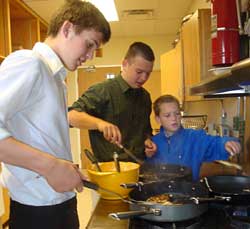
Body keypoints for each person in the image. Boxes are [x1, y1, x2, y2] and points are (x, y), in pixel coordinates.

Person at [0, 1, 111, 228]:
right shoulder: (29, 63)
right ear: (67, 28)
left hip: (59, 205)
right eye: (89, 45)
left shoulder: (55, 77)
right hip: (39, 213)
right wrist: (50, 167)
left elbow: (41, 138)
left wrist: (67, 168)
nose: (90, 56)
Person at [69, 42, 157, 162]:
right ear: (125, 64)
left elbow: (146, 131)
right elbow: (71, 116)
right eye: (139, 72)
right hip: (110, 172)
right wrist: (99, 124)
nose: (144, 78)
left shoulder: (145, 97)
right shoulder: (103, 90)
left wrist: (148, 141)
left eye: (148, 73)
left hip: (140, 169)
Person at [146, 94, 241, 181]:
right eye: (167, 115)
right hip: (159, 195)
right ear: (158, 119)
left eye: (177, 113)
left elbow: (215, 143)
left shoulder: (194, 137)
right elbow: (146, 172)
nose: (174, 118)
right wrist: (148, 156)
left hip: (188, 193)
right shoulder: (153, 143)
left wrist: (226, 143)